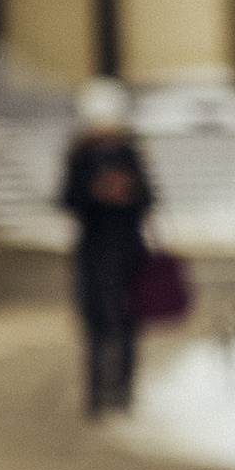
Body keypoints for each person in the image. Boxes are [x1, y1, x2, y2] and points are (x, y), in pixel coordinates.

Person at [61, 78, 156, 415]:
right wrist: (96, 193)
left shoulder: (130, 154)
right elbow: (67, 199)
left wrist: (128, 193)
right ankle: (96, 396)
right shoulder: (81, 157)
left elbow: (150, 198)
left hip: (129, 249)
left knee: (129, 322)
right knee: (96, 324)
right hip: (95, 250)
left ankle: (124, 393)